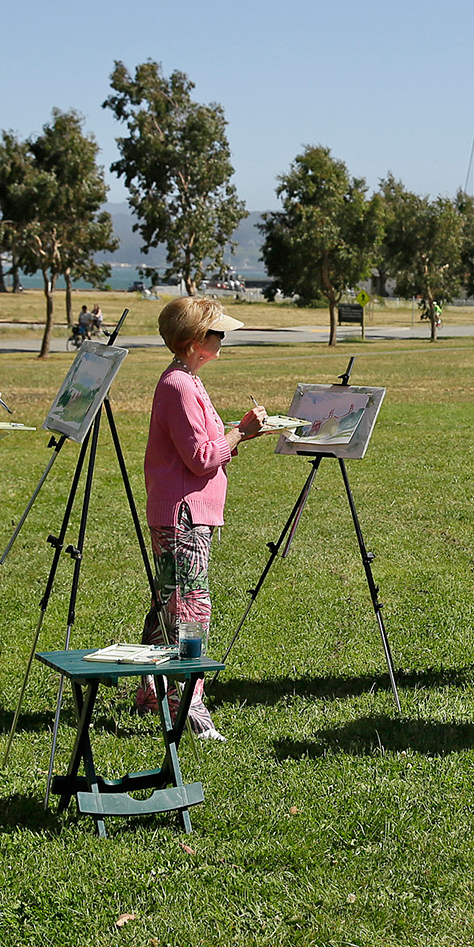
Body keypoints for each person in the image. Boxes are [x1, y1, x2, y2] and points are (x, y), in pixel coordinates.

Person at [138, 297, 268, 739]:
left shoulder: (186, 381)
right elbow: (201, 458)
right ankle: (188, 709)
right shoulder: (178, 385)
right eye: (216, 333)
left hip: (186, 511)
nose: (222, 339)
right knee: (189, 607)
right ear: (194, 342)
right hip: (184, 514)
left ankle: (152, 695)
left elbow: (203, 441)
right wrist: (242, 433)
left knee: (167, 603)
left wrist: (239, 429)